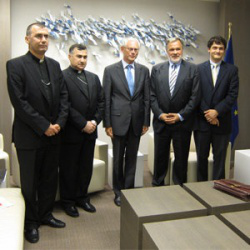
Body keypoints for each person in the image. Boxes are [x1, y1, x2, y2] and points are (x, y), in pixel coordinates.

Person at [6, 23, 69, 243]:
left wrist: (59, 123)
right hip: (29, 136)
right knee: (30, 181)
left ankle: (46, 214)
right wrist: (44, 126)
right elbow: (19, 102)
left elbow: (64, 98)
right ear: (27, 40)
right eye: (38, 36)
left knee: (50, 178)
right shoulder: (15, 65)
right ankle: (31, 222)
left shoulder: (54, 65)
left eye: (46, 36)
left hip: (55, 134)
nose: (43, 40)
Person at [103, 37, 150, 206]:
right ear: (122, 49)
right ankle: (118, 191)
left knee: (132, 158)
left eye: (136, 50)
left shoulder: (144, 70)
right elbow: (106, 98)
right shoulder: (110, 70)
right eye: (130, 49)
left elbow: (146, 99)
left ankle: (128, 191)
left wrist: (146, 121)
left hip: (137, 122)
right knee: (117, 159)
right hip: (117, 122)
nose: (133, 52)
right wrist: (107, 123)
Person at [59, 44, 104, 217]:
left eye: (85, 57)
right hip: (71, 132)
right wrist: (82, 123)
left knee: (86, 168)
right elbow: (65, 106)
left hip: (90, 132)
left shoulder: (93, 78)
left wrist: (94, 121)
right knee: (69, 169)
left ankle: (82, 198)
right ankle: (68, 201)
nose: (82, 60)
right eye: (79, 56)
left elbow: (101, 102)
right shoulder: (62, 77)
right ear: (70, 57)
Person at [151, 37, 200, 186]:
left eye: (178, 49)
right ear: (166, 51)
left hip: (182, 124)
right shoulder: (157, 69)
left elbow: (195, 97)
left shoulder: (193, 69)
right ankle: (157, 187)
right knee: (160, 159)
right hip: (162, 123)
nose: (175, 52)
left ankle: (179, 189)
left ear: (182, 50)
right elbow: (151, 95)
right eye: (171, 49)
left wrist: (180, 116)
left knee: (181, 160)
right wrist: (160, 114)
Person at [194, 35, 239, 181]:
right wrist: (209, 114)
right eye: (214, 47)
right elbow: (196, 94)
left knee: (220, 160)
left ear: (224, 51)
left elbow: (232, 96)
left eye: (221, 48)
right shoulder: (198, 69)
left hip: (222, 123)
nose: (217, 50)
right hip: (202, 123)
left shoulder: (232, 70)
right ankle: (201, 188)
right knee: (202, 158)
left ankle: (218, 190)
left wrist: (216, 112)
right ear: (209, 49)